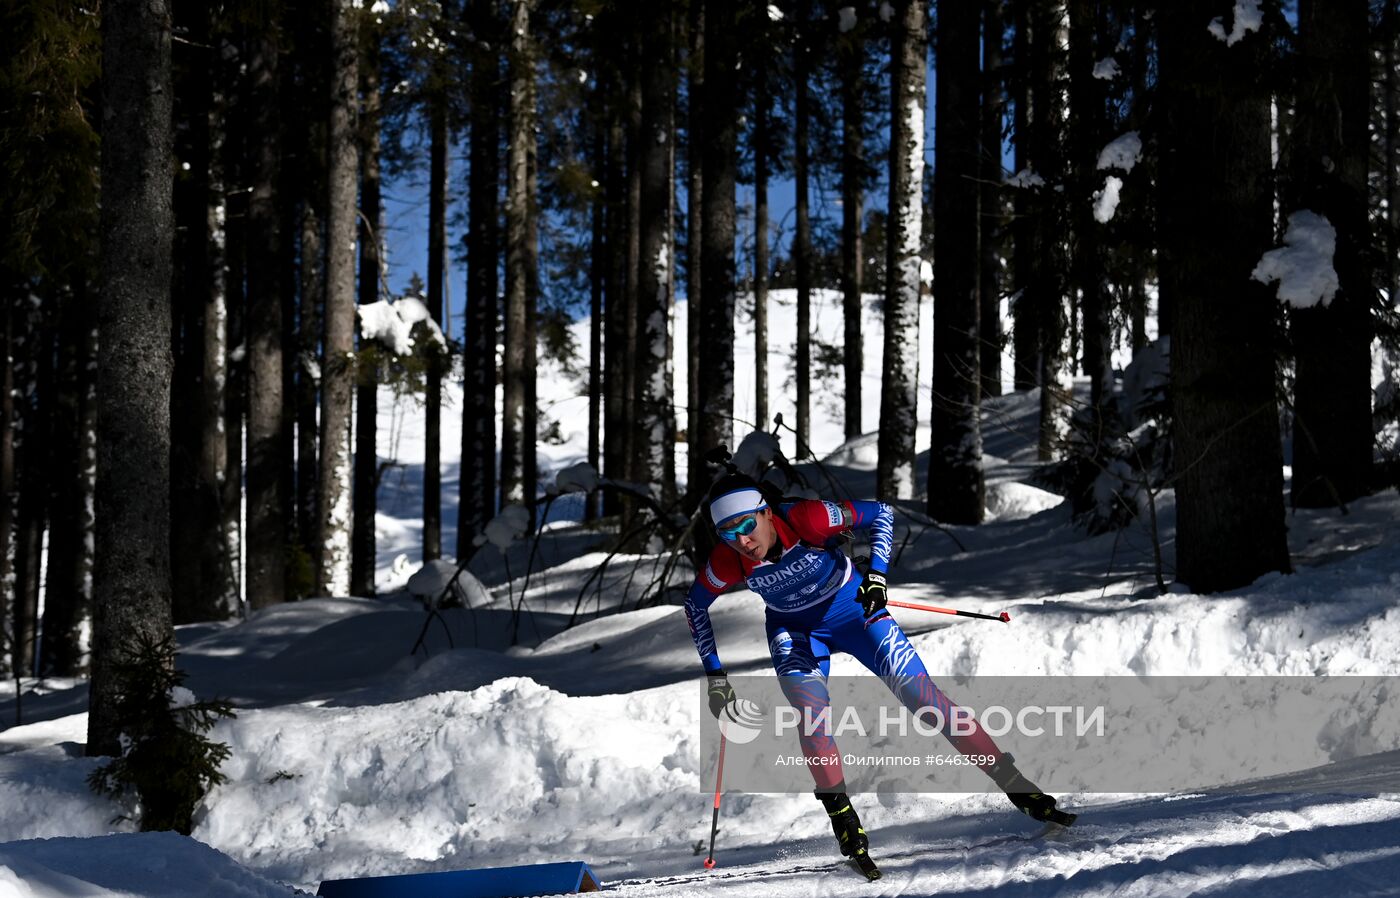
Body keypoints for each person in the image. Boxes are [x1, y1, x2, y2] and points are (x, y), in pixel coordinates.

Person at [685, 472, 1068, 860]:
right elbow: (695, 606)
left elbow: (881, 513)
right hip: (794, 629)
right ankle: (843, 818)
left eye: (747, 526)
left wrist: (878, 576)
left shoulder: (808, 518)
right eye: (728, 534)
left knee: (923, 699)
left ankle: (1015, 784)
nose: (743, 542)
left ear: (765, 513)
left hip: (853, 610)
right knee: (809, 715)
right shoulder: (728, 560)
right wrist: (716, 677)